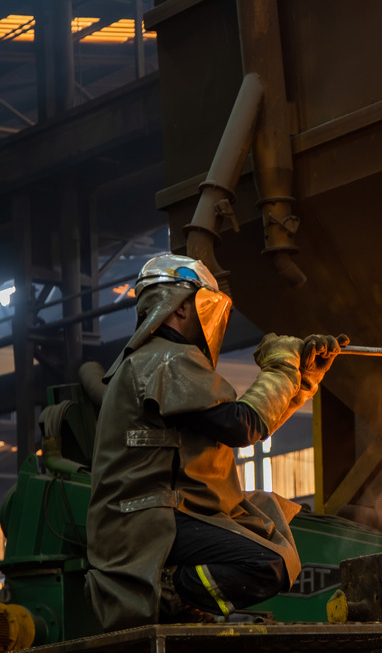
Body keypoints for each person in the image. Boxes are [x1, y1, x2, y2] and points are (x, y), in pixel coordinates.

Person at [85, 254, 346, 630]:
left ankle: (179, 594)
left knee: (271, 520)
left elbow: (243, 424)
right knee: (268, 564)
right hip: (150, 520)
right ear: (180, 307)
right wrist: (281, 369)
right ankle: (170, 592)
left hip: (166, 512)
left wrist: (301, 381)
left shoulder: (153, 363)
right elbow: (243, 426)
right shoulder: (164, 360)